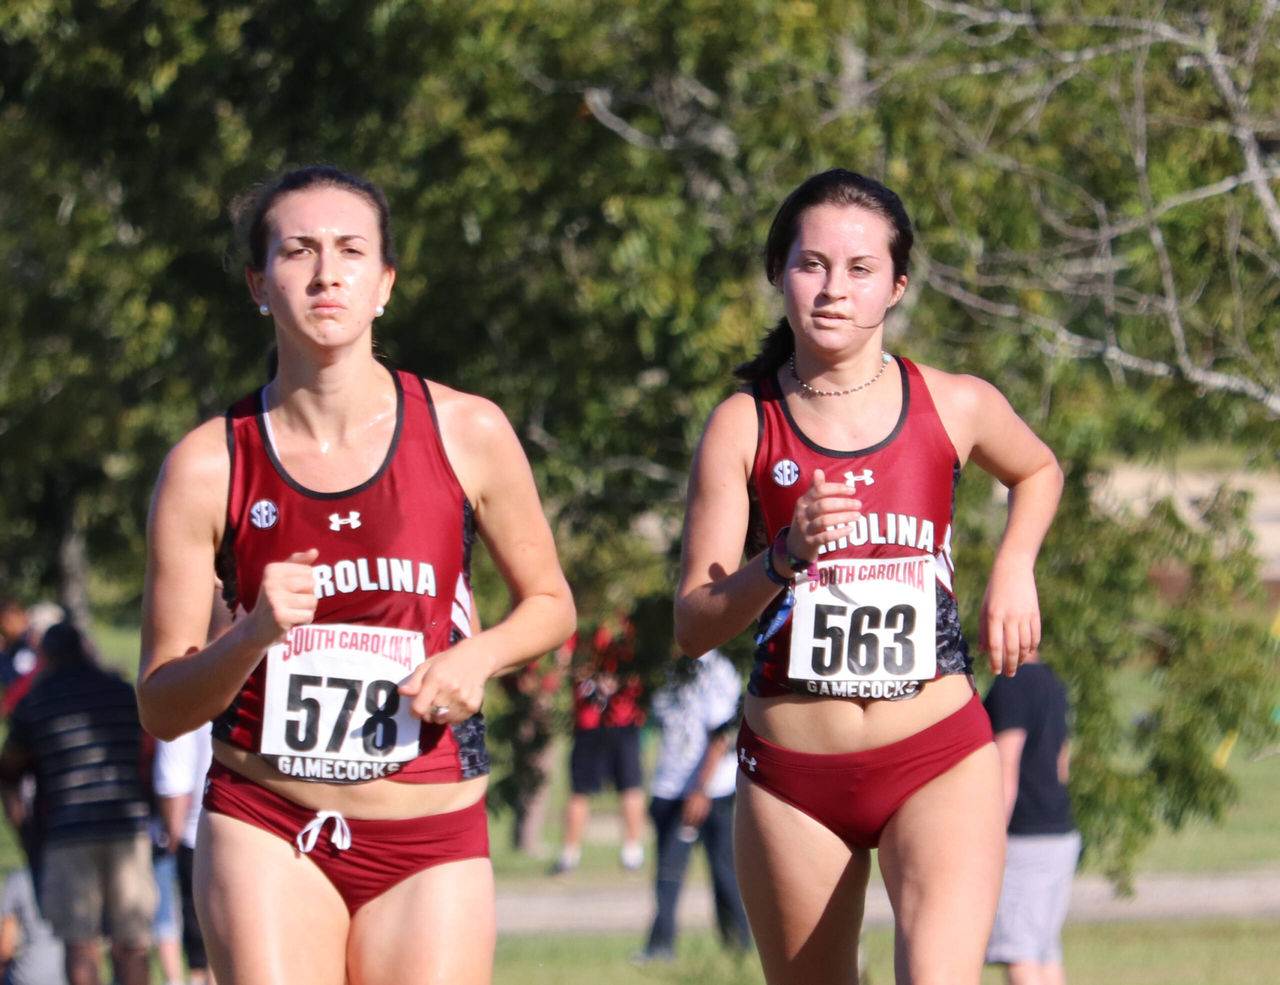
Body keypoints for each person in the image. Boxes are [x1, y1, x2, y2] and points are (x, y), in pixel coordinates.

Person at [136, 165, 576, 985]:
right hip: (267, 822)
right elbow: (162, 707)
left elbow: (551, 604)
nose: (326, 273)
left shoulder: (468, 430)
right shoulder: (207, 464)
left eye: (350, 250)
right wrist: (251, 635)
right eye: (297, 250)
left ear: (385, 284)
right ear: (258, 284)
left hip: (429, 835)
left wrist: (478, 657)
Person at [674, 168, 1063, 985]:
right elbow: (694, 623)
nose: (833, 289)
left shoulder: (954, 402)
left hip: (937, 757)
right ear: (779, 272)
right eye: (811, 264)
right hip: (793, 778)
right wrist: (781, 558)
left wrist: (1014, 566)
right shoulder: (744, 424)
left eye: (860, 269)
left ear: (897, 286)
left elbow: (1038, 470)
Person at [0, 621, 157, 985]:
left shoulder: (36, 703)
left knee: (80, 943)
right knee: (133, 942)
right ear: (85, 650)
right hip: (127, 826)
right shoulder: (122, 693)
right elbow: (148, 756)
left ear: (46, 657)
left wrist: (24, 828)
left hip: (67, 832)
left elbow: (8, 769)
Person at [637, 648, 750, 963]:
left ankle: (739, 947)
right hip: (669, 787)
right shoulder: (666, 667)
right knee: (667, 873)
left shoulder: (716, 670)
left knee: (724, 874)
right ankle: (660, 947)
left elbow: (721, 736)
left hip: (709, 791)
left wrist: (701, 789)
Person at [983, 653, 1079, 985]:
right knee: (1044, 952)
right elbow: (1062, 762)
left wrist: (993, 836)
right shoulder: (1053, 682)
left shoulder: (1011, 685)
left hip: (1024, 837)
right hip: (1060, 832)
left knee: (1019, 954)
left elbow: (1005, 763)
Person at [554, 621, 646, 873]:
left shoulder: (629, 622)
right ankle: (569, 853)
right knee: (580, 790)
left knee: (630, 785)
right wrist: (584, 673)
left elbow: (641, 664)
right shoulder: (582, 622)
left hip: (625, 718)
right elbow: (563, 658)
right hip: (589, 722)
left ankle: (632, 852)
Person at [154, 722, 216, 985]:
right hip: (248, 834)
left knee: (204, 946)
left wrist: (172, 838)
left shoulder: (185, 708)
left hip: (195, 837)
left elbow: (173, 783)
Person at [0, 866, 67, 985]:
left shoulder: (18, 880)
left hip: (27, 976)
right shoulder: (76, 877)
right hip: (68, 974)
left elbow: (5, 948)